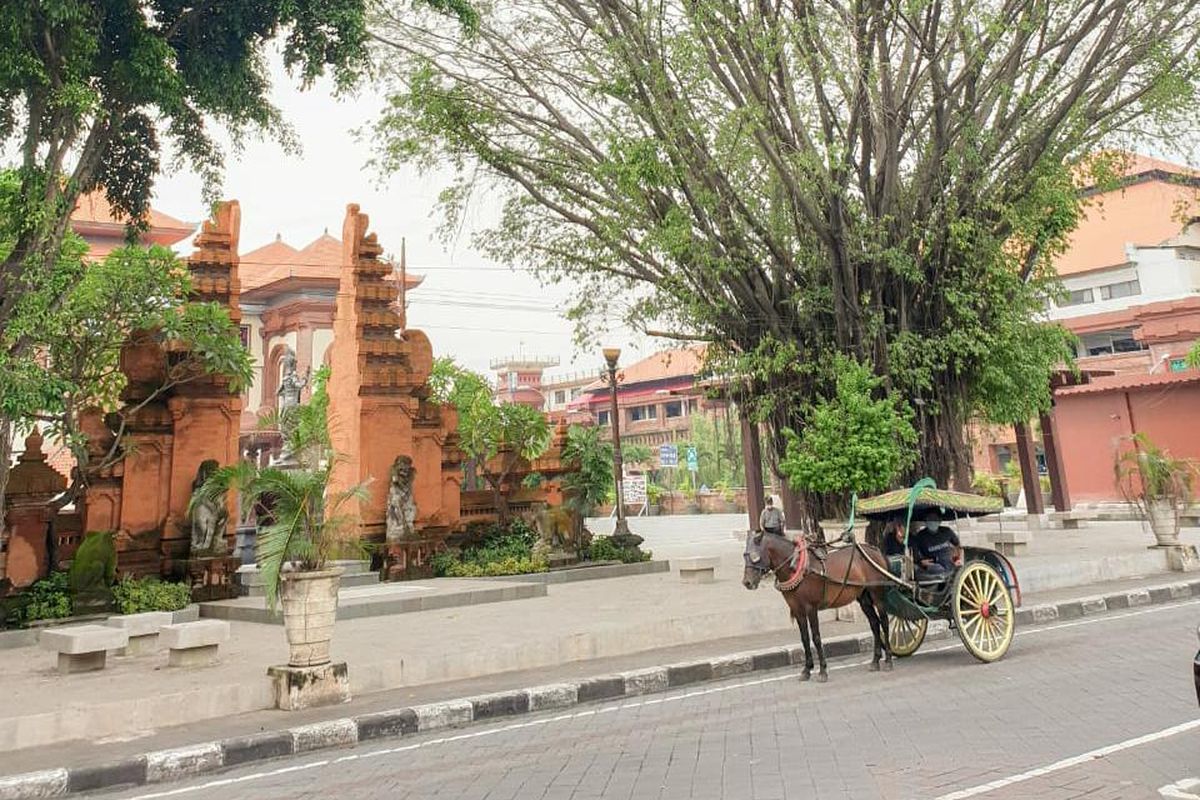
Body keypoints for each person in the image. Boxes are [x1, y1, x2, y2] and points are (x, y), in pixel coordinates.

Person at [910, 509, 963, 578]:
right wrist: (921, 562)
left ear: (939, 520)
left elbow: (959, 546)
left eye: (934, 519)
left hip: (950, 564)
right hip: (934, 567)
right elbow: (915, 553)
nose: (932, 521)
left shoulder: (947, 531)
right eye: (929, 519)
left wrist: (959, 559)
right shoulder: (920, 536)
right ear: (925, 520)